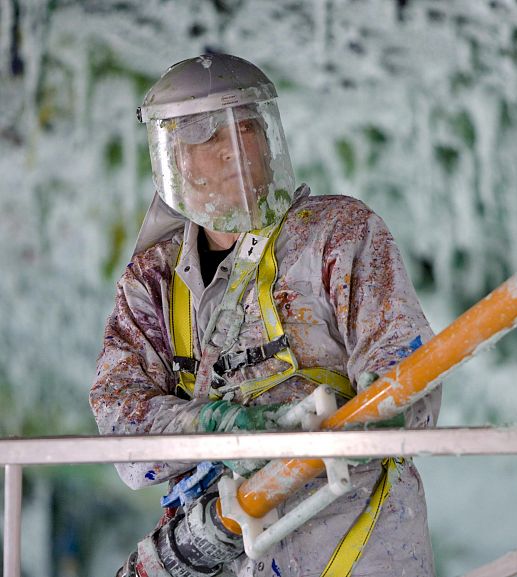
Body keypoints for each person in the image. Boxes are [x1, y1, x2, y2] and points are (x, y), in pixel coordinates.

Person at [90, 53, 440, 577]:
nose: (237, 148)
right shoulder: (153, 280)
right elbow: (122, 427)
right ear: (176, 161)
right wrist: (211, 426)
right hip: (219, 541)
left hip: (352, 532)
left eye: (249, 127)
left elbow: (407, 365)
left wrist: (379, 409)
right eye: (210, 136)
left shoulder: (337, 233)